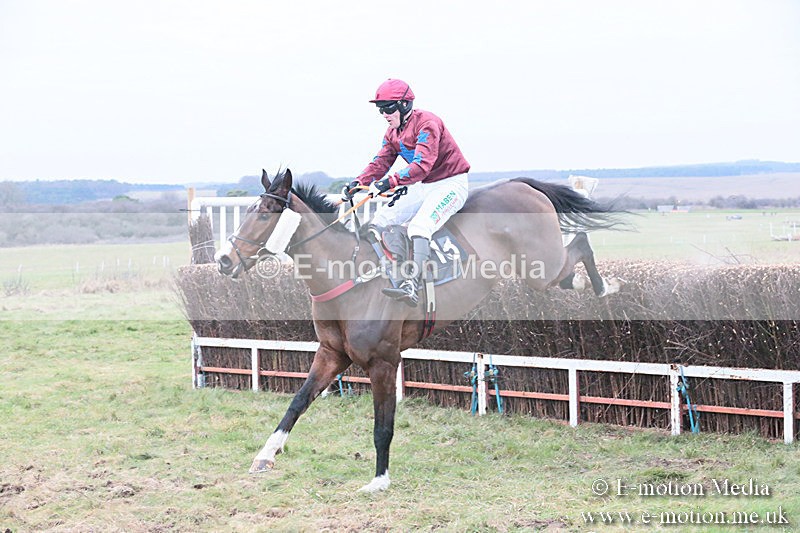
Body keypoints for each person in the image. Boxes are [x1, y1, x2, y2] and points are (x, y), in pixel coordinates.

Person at [343, 78, 470, 307]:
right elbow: (381, 162)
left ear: (403, 105)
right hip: (422, 186)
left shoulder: (427, 123)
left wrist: (387, 183)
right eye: (380, 110)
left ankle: (412, 284)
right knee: (379, 222)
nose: (384, 114)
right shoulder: (393, 132)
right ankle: (395, 272)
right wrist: (358, 182)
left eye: (388, 108)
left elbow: (421, 167)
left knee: (419, 227)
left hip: (450, 183)